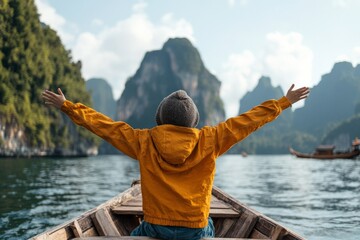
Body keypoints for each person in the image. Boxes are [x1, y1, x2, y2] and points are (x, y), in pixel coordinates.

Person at [42, 84, 309, 240]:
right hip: (195, 228)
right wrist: (284, 102)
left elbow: (105, 126)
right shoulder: (211, 139)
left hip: (156, 225)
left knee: (135, 233)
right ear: (193, 122)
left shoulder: (142, 140)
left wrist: (68, 106)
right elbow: (248, 121)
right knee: (211, 226)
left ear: (159, 118)